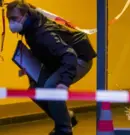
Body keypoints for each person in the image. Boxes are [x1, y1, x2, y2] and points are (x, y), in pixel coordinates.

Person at [6, 0, 97, 135]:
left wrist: (64, 82)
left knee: (50, 88)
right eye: (9, 19)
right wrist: (29, 67)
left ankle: (64, 130)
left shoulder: (43, 33)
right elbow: (46, 51)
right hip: (59, 60)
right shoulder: (30, 28)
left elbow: (69, 55)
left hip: (78, 58)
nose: (11, 23)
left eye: (14, 18)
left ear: (25, 15)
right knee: (35, 90)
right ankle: (67, 118)